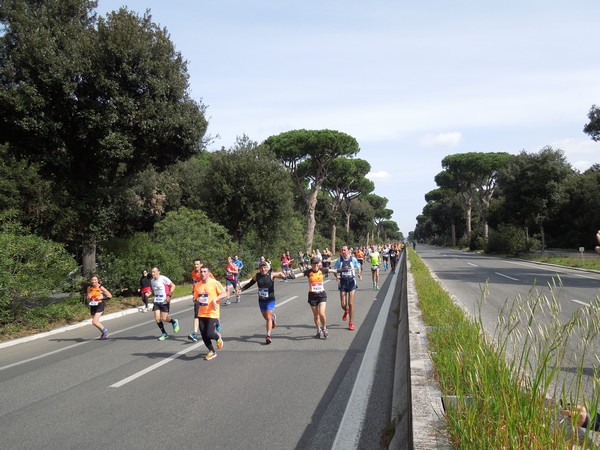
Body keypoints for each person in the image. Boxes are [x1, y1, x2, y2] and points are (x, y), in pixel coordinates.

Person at [241, 261, 287, 344]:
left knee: (268, 317)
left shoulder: (271, 275)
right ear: (259, 269)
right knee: (267, 318)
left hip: (270, 299)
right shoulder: (257, 276)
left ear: (267, 267)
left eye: (264, 267)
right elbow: (250, 283)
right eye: (261, 268)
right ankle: (273, 318)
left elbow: (280, 275)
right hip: (261, 300)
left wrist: (284, 276)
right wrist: (241, 290)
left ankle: (268, 335)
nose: (263, 269)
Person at [295, 256, 338, 339]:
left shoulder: (322, 270)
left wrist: (342, 271)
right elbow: (299, 275)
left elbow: (333, 270)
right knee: (316, 315)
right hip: (312, 296)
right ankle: (318, 330)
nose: (315, 265)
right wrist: (291, 276)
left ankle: (324, 328)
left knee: (322, 313)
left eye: (317, 263)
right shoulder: (308, 272)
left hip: (321, 295)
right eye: (314, 263)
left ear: (319, 264)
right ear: (311, 264)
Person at [193, 266, 228, 361]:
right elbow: (194, 298)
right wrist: (197, 299)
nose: (202, 273)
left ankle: (217, 337)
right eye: (201, 272)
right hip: (201, 313)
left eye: (204, 272)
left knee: (209, 334)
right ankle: (212, 351)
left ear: (209, 273)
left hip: (212, 313)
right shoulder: (197, 285)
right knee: (204, 335)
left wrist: (216, 299)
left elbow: (225, 293)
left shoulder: (214, 283)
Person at [189, 259, 220, 342]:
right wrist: (194, 292)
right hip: (199, 295)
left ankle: (216, 320)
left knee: (209, 331)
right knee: (196, 314)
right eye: (195, 264)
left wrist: (215, 298)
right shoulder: (193, 272)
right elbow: (194, 283)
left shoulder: (206, 273)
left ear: (201, 264)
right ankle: (195, 333)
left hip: (209, 297)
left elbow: (213, 283)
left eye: (197, 264)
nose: (196, 266)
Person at [332, 245, 362, 331]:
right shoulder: (339, 260)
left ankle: (351, 322)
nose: (343, 252)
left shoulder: (353, 259)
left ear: (349, 251)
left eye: (344, 250)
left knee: (351, 303)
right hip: (343, 283)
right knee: (343, 304)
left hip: (351, 282)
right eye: (342, 250)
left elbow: (358, 266)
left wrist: (359, 274)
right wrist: (337, 276)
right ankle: (346, 311)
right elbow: (335, 269)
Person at [150, 266, 179, 340]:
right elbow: (154, 290)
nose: (153, 273)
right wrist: (149, 293)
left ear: (158, 272)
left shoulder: (163, 278)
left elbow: (173, 286)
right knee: (157, 318)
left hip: (164, 301)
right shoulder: (152, 281)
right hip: (157, 301)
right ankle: (164, 333)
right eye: (152, 272)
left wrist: (169, 295)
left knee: (164, 318)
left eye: (154, 272)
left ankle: (173, 322)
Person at [87, 275, 112, 340]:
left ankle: (105, 331)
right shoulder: (89, 287)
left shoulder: (101, 287)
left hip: (100, 305)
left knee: (94, 322)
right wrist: (89, 297)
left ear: (98, 280)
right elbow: (88, 296)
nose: (94, 281)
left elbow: (110, 296)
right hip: (92, 305)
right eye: (92, 280)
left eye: (95, 280)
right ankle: (103, 333)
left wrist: (101, 297)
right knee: (96, 322)